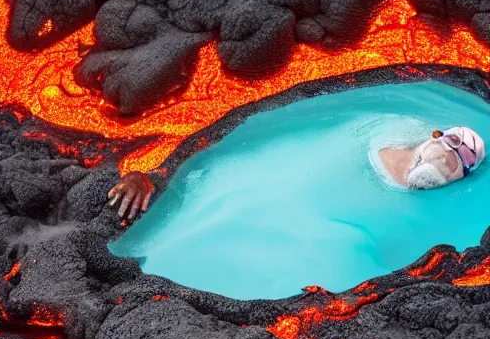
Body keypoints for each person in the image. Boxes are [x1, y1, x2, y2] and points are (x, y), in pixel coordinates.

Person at [108, 125, 485, 220]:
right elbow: (228, 145)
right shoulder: (385, 128)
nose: (448, 161)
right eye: (448, 147)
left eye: (460, 164)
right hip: (249, 196)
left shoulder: (426, 215)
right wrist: (154, 174)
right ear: (431, 136)